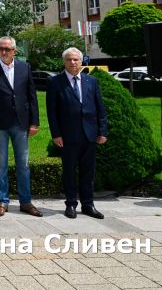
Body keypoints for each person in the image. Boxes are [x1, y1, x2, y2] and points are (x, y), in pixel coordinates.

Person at [0, 36, 42, 217]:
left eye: (7, 49)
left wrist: (34, 122)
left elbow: (32, 96)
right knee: (1, 165)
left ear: (14, 51)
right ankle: (2, 201)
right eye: (0, 48)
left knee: (23, 165)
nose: (3, 52)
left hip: (22, 123)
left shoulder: (25, 67)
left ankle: (26, 202)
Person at [47, 47, 108, 219]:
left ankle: (88, 205)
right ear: (64, 62)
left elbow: (100, 108)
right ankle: (71, 204)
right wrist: (56, 134)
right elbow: (52, 112)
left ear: (81, 61)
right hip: (67, 136)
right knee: (69, 171)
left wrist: (102, 131)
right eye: (69, 59)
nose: (72, 62)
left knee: (88, 172)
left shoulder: (92, 81)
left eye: (75, 59)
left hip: (90, 134)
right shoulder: (55, 82)